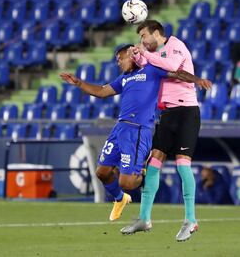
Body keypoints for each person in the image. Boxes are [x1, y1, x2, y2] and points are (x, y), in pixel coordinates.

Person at [60, 44, 211, 222]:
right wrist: (78, 83)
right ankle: (120, 198)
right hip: (120, 129)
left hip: (138, 131)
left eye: (120, 59)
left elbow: (176, 72)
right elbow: (101, 92)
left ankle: (145, 173)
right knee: (101, 172)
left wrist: (197, 79)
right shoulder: (124, 78)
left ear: (132, 56)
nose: (119, 63)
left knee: (127, 182)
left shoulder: (151, 70)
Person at [121, 20, 212, 242]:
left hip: (186, 112)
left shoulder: (175, 45)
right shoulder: (154, 53)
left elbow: (171, 66)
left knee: (183, 164)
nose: (142, 41)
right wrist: (137, 56)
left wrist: (144, 54)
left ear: (156, 33)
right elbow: (150, 66)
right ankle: (144, 218)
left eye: (144, 36)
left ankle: (190, 220)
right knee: (154, 163)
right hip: (167, 114)